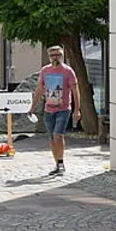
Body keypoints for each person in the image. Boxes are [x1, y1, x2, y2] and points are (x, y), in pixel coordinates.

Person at [34, 45, 81, 176]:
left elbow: (75, 91)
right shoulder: (45, 71)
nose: (56, 57)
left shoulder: (68, 71)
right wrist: (32, 107)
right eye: (53, 55)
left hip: (63, 109)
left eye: (58, 55)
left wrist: (77, 110)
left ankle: (60, 163)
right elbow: (39, 89)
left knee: (58, 135)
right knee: (52, 138)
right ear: (49, 57)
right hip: (49, 109)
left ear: (62, 55)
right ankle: (57, 163)